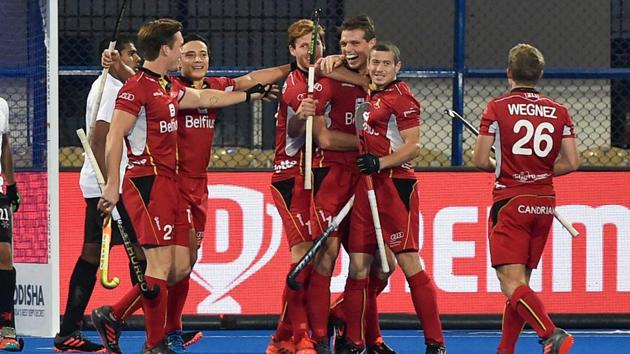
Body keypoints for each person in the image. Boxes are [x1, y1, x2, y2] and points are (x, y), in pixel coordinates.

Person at [94, 18, 272, 354]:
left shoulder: (167, 87)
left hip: (170, 185)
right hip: (147, 182)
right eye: (179, 46)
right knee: (160, 266)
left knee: (177, 266)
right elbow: (114, 137)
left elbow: (207, 98)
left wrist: (250, 97)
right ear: (166, 49)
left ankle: (113, 315)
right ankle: (154, 343)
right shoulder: (136, 89)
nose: (183, 53)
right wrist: (112, 186)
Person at [163, 33, 286, 353]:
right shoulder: (172, 89)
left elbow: (251, 79)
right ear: (178, 60)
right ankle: (133, 320)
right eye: (190, 55)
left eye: (203, 54)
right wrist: (253, 97)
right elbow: (212, 100)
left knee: (187, 264)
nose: (198, 60)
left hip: (199, 184)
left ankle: (170, 328)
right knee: (173, 265)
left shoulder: (217, 85)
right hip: (173, 184)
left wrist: (295, 66)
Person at [472, 43, 579, 354]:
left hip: (511, 202)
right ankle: (505, 350)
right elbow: (572, 162)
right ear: (540, 74)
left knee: (510, 284)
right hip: (544, 202)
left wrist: (503, 167)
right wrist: (539, 172)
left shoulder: (496, 107)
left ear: (509, 73)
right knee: (520, 286)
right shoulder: (559, 110)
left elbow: (480, 160)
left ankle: (550, 333)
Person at [340, 43, 446, 354]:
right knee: (359, 264)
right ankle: (354, 341)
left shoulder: (403, 98)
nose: (379, 68)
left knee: (408, 261)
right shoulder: (369, 94)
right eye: (375, 62)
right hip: (365, 186)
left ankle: (435, 343)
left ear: (397, 66)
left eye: (386, 63)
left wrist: (379, 162)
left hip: (395, 186)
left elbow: (412, 146)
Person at [304, 15, 397, 354]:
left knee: (383, 263)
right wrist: (366, 145)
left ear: (371, 43)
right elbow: (324, 137)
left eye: (355, 42)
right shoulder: (326, 79)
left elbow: (374, 90)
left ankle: (343, 316)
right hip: (334, 176)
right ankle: (320, 339)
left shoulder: (380, 76)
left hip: (370, 178)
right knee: (325, 257)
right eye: (344, 44)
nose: (348, 49)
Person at [53, 35, 143, 353]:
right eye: (132, 54)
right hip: (108, 184)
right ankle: (158, 330)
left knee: (93, 253)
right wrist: (109, 186)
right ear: (115, 56)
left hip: (104, 183)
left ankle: (68, 331)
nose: (138, 59)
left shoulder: (114, 85)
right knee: (143, 256)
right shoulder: (113, 88)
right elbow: (100, 136)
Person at [0, 97, 22, 352]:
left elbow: (4, 144)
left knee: (5, 255)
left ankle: (7, 328)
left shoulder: (3, 104)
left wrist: (12, 185)